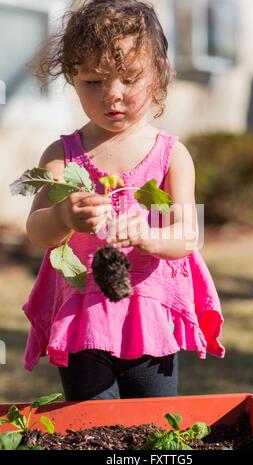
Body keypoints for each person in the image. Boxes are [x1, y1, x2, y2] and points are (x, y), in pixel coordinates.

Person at [23, 0, 225, 401]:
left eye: (129, 79)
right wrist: (63, 214)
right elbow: (37, 232)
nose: (112, 96)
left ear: (159, 75)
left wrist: (149, 237)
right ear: (72, 77)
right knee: (93, 428)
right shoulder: (61, 155)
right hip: (82, 314)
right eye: (93, 82)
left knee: (151, 424)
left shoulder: (171, 155)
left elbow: (186, 236)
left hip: (148, 315)